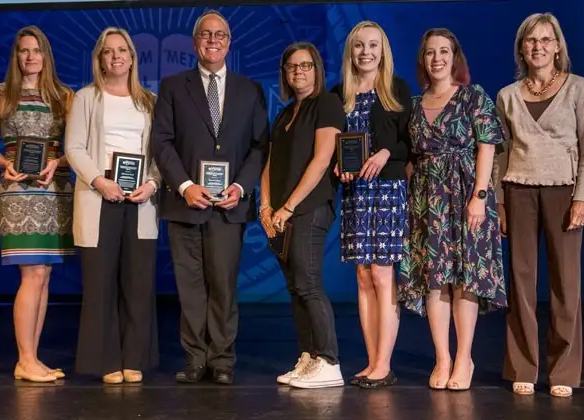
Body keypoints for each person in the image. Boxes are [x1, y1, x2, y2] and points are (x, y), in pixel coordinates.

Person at [151, 9, 269, 385]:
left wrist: (241, 187)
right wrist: (185, 186)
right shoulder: (172, 86)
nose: (213, 40)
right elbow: (162, 142)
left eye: (219, 35)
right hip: (186, 203)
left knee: (223, 285)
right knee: (190, 286)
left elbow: (259, 146)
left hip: (228, 207)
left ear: (229, 43)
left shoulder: (249, 90)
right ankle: (195, 359)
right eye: (206, 34)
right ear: (195, 42)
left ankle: (221, 360)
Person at [495, 12, 584, 398]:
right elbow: (499, 156)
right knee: (520, 283)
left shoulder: (578, 89)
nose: (537, 46)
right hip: (519, 190)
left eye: (545, 39)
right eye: (530, 40)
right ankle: (524, 365)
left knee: (565, 285)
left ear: (557, 46)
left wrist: (583, 197)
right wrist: (500, 204)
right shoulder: (507, 95)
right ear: (522, 48)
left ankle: (564, 372)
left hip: (563, 192)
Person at [397, 28, 506, 391]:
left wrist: (479, 195)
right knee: (434, 280)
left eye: (444, 51)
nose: (437, 58)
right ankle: (442, 356)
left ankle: (464, 358)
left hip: (465, 196)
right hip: (427, 201)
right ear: (423, 60)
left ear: (454, 57)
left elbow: (487, 146)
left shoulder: (473, 96)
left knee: (464, 279)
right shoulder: (413, 104)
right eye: (430, 52)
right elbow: (410, 157)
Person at [65, 27, 161, 384]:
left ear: (133, 57)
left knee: (137, 283)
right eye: (109, 51)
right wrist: (100, 182)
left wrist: (151, 183)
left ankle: (133, 358)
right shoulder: (86, 98)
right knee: (100, 284)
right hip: (98, 197)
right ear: (100, 59)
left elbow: (160, 153)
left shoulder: (149, 101)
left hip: (140, 201)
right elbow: (74, 148)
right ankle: (106, 361)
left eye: (123, 50)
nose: (116, 56)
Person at [0, 25, 74, 383]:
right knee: (31, 274)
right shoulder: (0, 92)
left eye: (36, 50)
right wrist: (4, 164)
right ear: (16, 55)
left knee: (44, 275)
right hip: (18, 191)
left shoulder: (64, 96)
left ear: (46, 56)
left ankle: (31, 359)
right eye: (23, 50)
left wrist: (58, 163)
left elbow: (74, 148)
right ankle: (26, 358)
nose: (30, 56)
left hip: (54, 189)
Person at [330, 21, 412, 389]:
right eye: (360, 45)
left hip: (388, 191)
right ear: (351, 51)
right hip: (356, 194)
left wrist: (383, 152)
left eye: (373, 45)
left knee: (382, 275)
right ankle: (370, 361)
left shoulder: (396, 89)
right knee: (362, 277)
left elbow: (411, 143)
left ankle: (384, 364)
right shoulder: (339, 94)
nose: (366, 52)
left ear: (384, 50)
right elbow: (335, 143)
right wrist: (338, 165)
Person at [262, 42, 344, 389]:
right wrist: (265, 207)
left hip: (308, 210)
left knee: (309, 284)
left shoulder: (326, 104)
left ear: (317, 70)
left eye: (306, 65)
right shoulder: (284, 113)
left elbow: (322, 160)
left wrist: (288, 207)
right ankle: (309, 357)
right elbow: (269, 164)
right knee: (296, 288)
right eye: (292, 66)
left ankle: (329, 361)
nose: (299, 71)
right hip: (279, 214)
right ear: (285, 73)